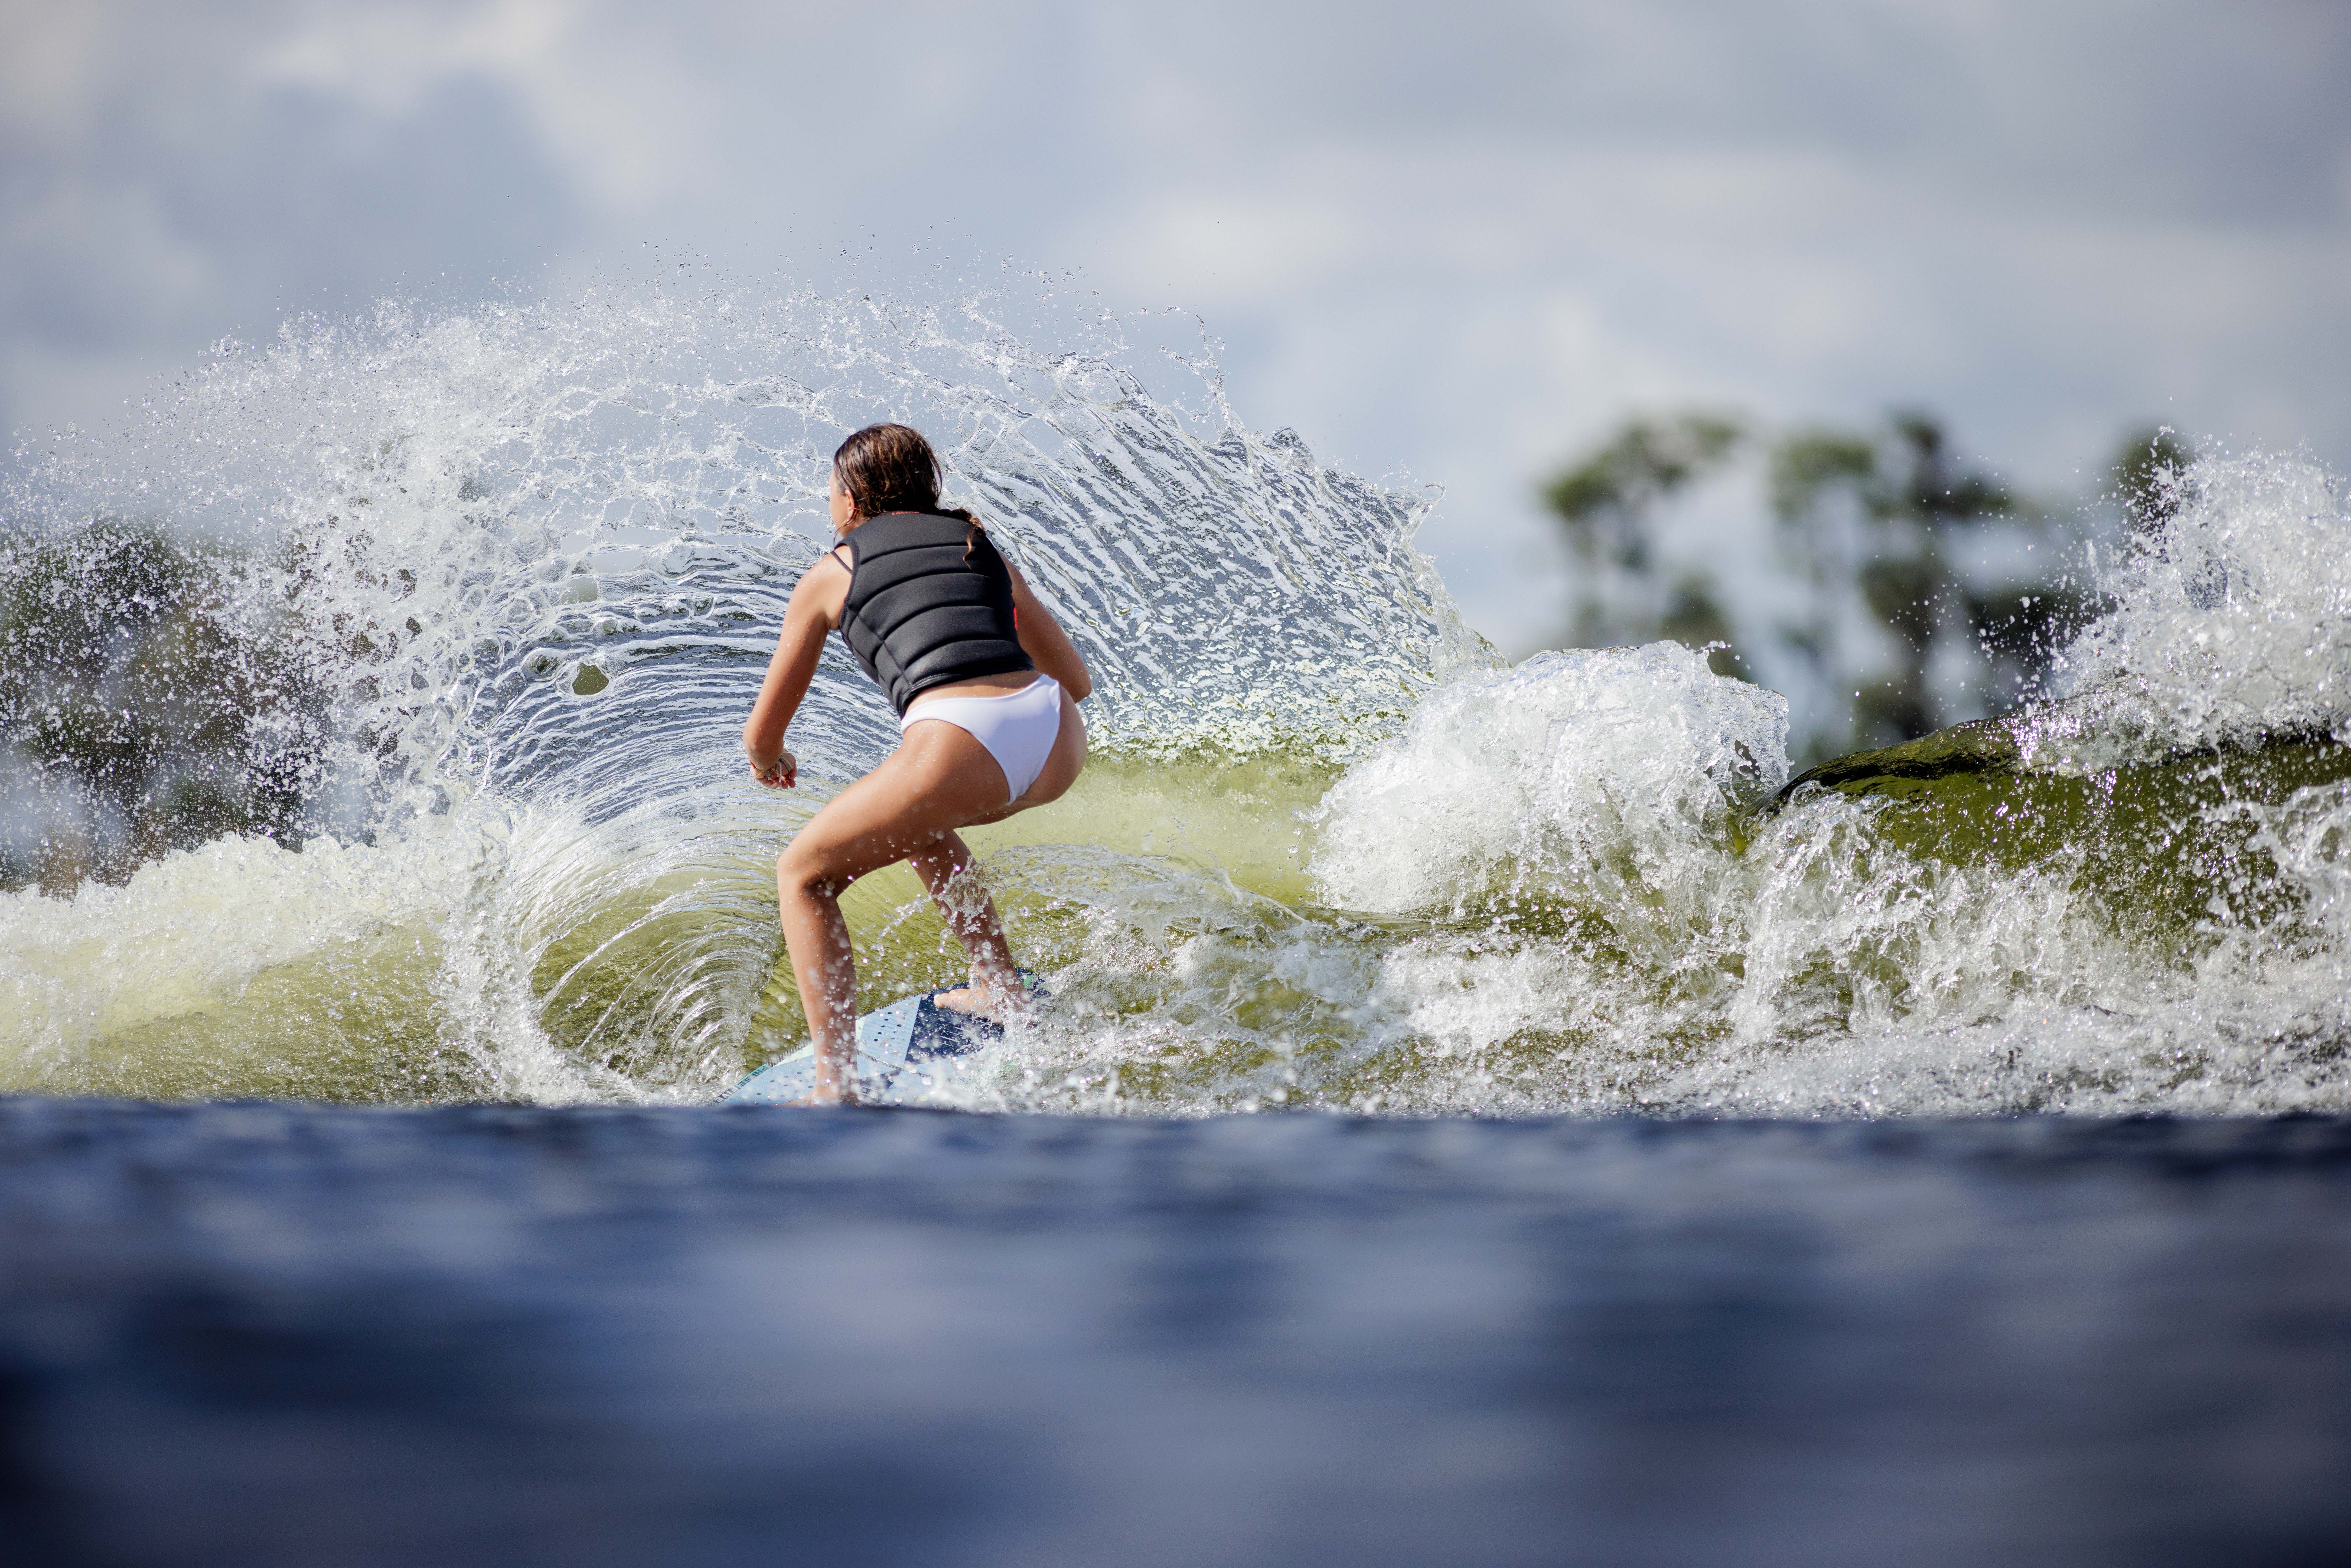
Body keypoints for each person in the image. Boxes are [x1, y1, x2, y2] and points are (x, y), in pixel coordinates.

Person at [741, 423, 1092, 1105]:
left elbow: (762, 732)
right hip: (1056, 735)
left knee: (803, 874)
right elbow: (1074, 678)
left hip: (963, 740)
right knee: (915, 822)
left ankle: (834, 1086)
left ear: (849, 499)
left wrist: (770, 760)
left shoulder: (832, 572)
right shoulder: (977, 544)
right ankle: (998, 986)